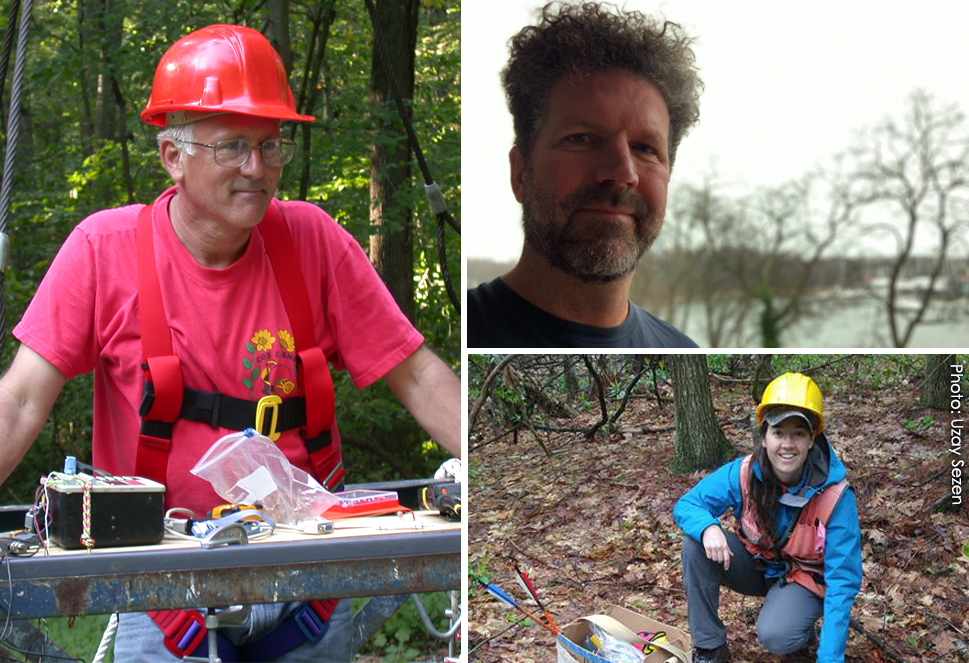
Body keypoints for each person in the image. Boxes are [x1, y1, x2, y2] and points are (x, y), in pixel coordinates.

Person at [0, 24, 461, 662]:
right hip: (161, 594)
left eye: (272, 146)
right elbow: (21, 400)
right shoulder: (104, 253)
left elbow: (418, 376)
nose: (257, 168)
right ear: (171, 155)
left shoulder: (312, 243)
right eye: (233, 147)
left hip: (307, 583)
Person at [467, 1, 702, 348]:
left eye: (645, 149)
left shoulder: (682, 350)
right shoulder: (466, 333)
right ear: (521, 173)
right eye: (581, 139)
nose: (623, 172)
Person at [673, 373, 862, 663]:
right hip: (757, 565)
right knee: (694, 544)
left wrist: (830, 658)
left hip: (802, 580)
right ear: (764, 437)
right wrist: (708, 527)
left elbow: (842, 581)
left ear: (813, 439)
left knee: (777, 635)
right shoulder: (744, 472)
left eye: (798, 433)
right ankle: (711, 648)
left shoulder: (836, 497)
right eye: (778, 432)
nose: (787, 444)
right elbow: (687, 505)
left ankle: (797, 629)